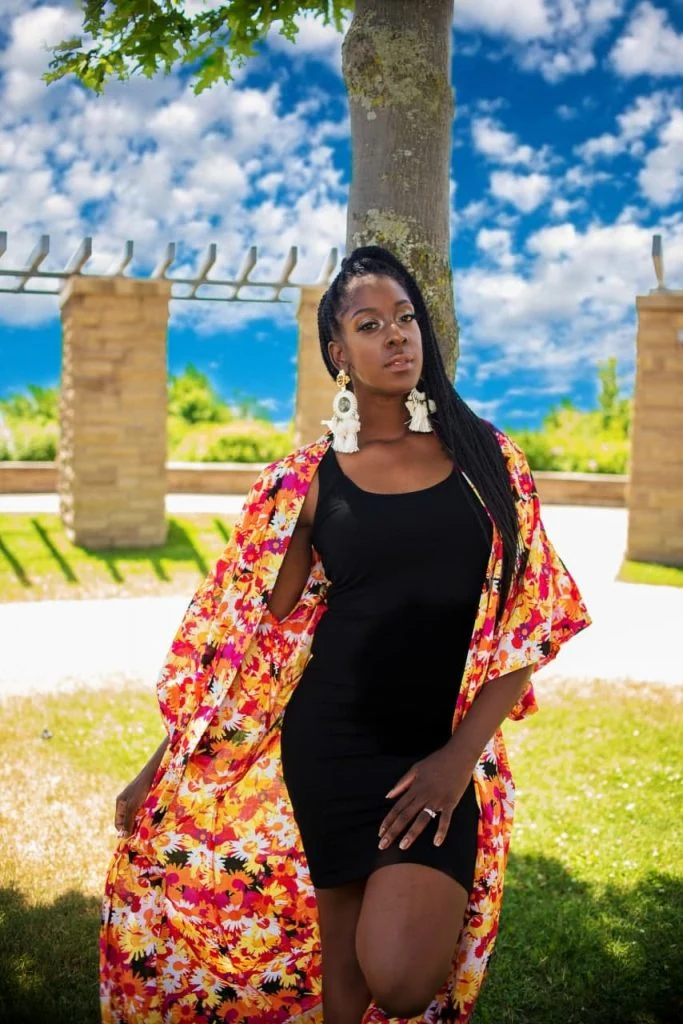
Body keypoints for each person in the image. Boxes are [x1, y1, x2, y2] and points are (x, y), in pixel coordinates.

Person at [105, 245, 591, 1024]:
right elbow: (242, 646)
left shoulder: (487, 460)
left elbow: (529, 623)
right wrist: (157, 766)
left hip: (439, 753)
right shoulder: (305, 481)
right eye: (370, 325)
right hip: (331, 744)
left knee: (399, 979)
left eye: (405, 319)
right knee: (346, 978)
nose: (396, 337)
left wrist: (455, 762)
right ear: (338, 352)